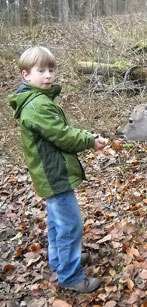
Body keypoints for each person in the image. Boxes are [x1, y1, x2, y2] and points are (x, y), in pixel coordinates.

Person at [8, 46, 107, 293]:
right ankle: (70, 275)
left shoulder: (36, 100)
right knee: (69, 225)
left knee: (56, 223)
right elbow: (62, 135)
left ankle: (61, 260)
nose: (48, 75)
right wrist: (90, 140)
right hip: (54, 175)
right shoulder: (37, 106)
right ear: (26, 75)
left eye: (51, 69)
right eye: (41, 70)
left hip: (50, 173)